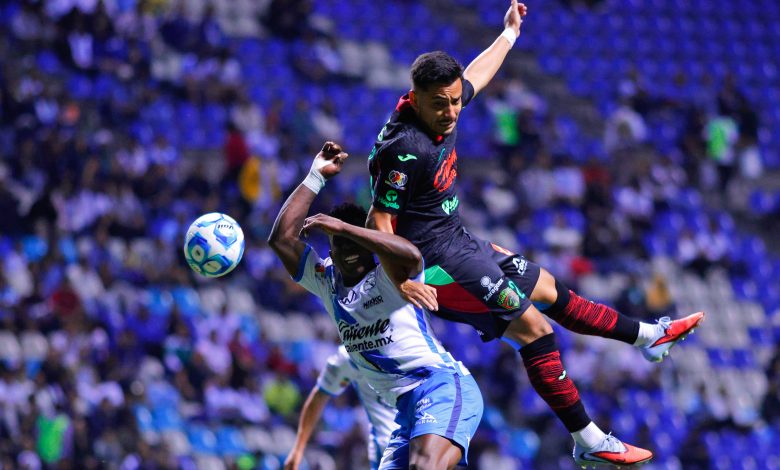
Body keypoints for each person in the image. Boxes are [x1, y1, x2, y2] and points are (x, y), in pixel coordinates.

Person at [366, 1, 704, 465]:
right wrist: (405, 280)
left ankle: (648, 337)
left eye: (455, 101)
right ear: (416, 97)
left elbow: (476, 77)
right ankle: (589, 441)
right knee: (535, 329)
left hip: (458, 241)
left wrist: (508, 34)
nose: (451, 111)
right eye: (440, 104)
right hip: (435, 265)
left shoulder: (446, 100)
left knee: (548, 287)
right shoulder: (405, 148)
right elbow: (378, 222)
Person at [269, 142, 483, 469]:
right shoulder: (326, 279)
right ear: (330, 250)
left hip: (440, 386)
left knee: (423, 466)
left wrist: (343, 228)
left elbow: (412, 255)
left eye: (356, 242)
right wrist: (315, 177)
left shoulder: (390, 272)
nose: (349, 251)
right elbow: (281, 239)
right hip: (405, 410)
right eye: (340, 245)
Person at [284, 346, 398, 470]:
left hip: (416, 442)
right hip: (386, 451)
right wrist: (298, 449)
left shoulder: (415, 343)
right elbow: (319, 395)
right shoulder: (350, 355)